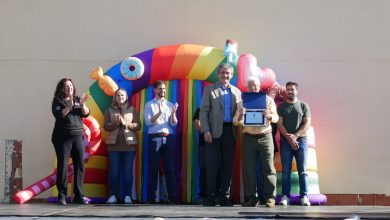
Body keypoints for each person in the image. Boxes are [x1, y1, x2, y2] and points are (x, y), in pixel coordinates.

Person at [200, 63, 241, 206]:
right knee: (212, 165)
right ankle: (210, 197)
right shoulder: (209, 89)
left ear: (231, 75)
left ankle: (224, 196)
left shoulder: (237, 91)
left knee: (227, 166)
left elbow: (240, 112)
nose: (225, 75)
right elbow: (203, 111)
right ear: (218, 74)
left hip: (231, 132)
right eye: (223, 73)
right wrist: (206, 130)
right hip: (213, 132)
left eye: (228, 73)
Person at [233, 76, 278, 208]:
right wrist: (241, 115)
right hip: (248, 138)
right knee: (249, 169)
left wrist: (269, 116)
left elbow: (276, 118)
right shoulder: (241, 103)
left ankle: (270, 197)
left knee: (268, 167)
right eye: (250, 85)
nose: (253, 88)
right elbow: (236, 121)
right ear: (247, 88)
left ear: (259, 87)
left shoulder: (268, 100)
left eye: (255, 85)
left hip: (265, 136)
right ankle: (251, 198)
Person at [51, 78, 90, 205]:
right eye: (67, 86)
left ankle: (79, 196)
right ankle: (62, 196)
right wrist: (70, 104)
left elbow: (86, 113)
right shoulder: (58, 101)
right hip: (62, 137)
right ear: (62, 88)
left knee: (80, 165)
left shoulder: (78, 99)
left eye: (71, 86)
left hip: (77, 136)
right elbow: (61, 114)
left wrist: (82, 103)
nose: (70, 88)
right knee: (63, 165)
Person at [103, 88, 141, 204]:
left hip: (129, 146)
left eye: (122, 96)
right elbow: (105, 126)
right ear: (115, 97)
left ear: (126, 97)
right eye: (118, 95)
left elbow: (138, 125)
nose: (120, 98)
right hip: (113, 146)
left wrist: (126, 124)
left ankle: (128, 196)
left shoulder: (132, 110)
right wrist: (116, 123)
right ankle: (113, 195)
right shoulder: (109, 110)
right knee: (114, 171)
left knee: (127, 171)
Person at [277, 81, 312, 206]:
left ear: (297, 91)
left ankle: (304, 196)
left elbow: (307, 123)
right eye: (288, 89)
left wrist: (296, 136)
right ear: (286, 91)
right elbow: (279, 123)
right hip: (285, 141)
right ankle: (285, 196)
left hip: (301, 140)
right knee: (286, 171)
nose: (290, 91)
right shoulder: (281, 106)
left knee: (302, 170)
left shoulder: (303, 105)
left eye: (293, 89)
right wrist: (289, 138)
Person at [144, 80, 178, 204]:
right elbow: (148, 123)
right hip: (155, 138)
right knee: (153, 169)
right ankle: (151, 198)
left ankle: (172, 198)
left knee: (170, 169)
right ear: (155, 90)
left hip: (168, 138)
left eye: (164, 89)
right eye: (160, 89)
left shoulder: (170, 105)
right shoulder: (149, 105)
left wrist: (173, 114)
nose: (162, 91)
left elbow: (173, 124)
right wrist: (158, 113)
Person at [192, 108, 206, 203]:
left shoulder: (220, 108)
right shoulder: (200, 109)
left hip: (217, 143)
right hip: (203, 144)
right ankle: (203, 195)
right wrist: (208, 131)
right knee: (204, 169)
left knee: (218, 168)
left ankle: (217, 195)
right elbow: (197, 126)